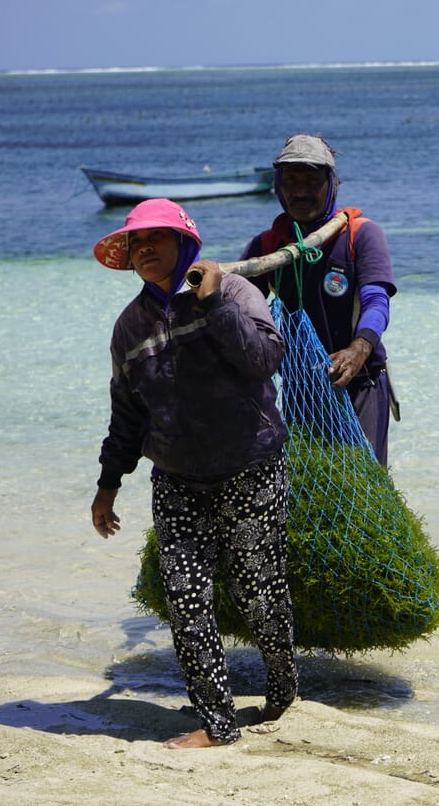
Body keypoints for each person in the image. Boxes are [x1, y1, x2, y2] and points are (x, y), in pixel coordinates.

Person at [88, 198, 297, 750]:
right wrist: (107, 487)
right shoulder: (129, 327)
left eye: (156, 238)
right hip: (178, 480)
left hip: (250, 467)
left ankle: (283, 685)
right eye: (135, 242)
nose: (144, 249)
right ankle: (218, 723)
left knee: (260, 595)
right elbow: (128, 414)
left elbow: (263, 362)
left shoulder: (233, 292)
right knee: (185, 598)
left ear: (186, 244)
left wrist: (211, 307)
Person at [239, 134, 399, 465]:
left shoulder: (360, 235)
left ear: (331, 184)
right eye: (291, 181)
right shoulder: (268, 246)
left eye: (312, 181)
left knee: (363, 482)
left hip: (360, 381)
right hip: (301, 390)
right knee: (305, 481)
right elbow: (240, 314)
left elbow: (376, 302)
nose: (300, 192)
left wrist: (359, 348)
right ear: (278, 186)